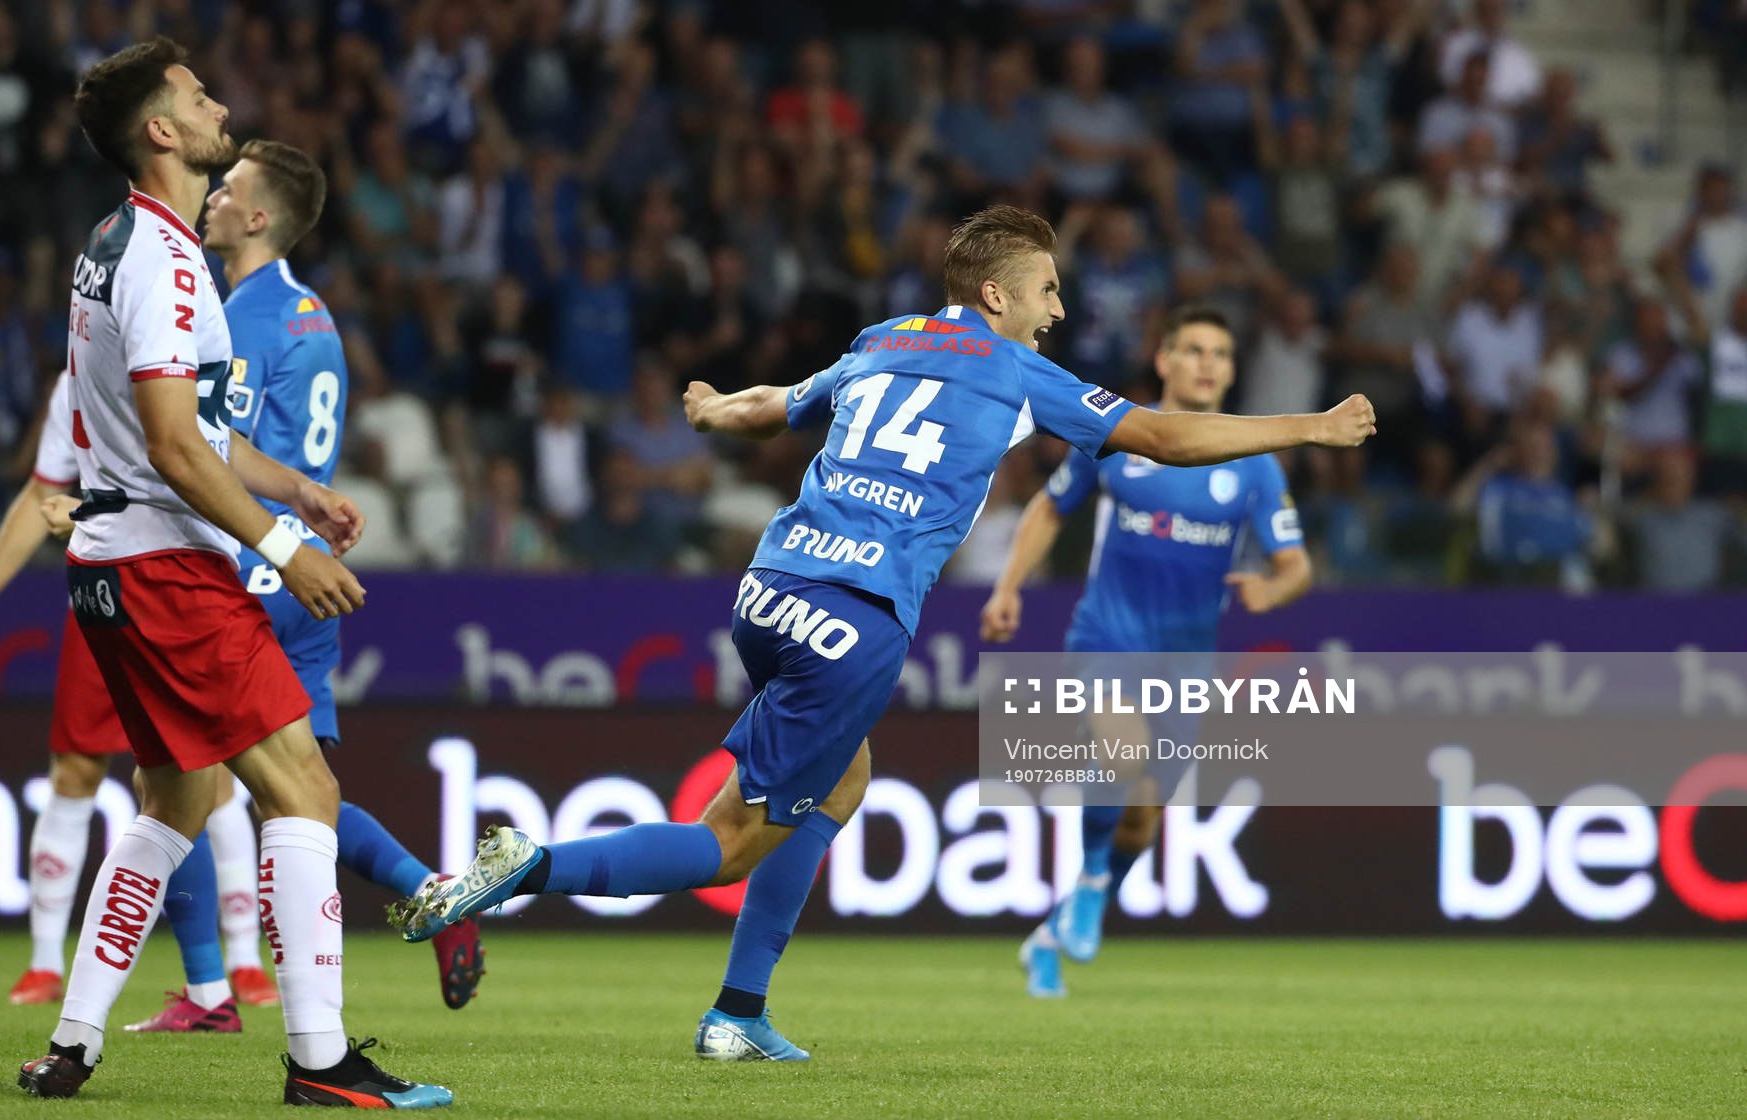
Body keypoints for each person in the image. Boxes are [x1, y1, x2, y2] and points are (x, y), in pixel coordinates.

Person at [390, 205, 1375, 1060]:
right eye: (1045, 290)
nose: (1058, 310)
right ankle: (532, 867)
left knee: (843, 778)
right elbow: (1164, 435)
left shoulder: (883, 337)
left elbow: (777, 406)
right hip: (853, 619)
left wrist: (712, 409)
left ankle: (739, 1010)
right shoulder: (1017, 369)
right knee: (730, 842)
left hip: (769, 588)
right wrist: (1312, 427)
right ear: (996, 294)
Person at [15, 38, 446, 1108]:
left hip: (108, 568)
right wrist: (284, 546)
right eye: (198, 97)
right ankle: (320, 1060)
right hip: (168, 564)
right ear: (161, 131)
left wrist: (296, 491)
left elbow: (198, 426)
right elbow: (173, 446)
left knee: (170, 801)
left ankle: (70, 1043)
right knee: (304, 786)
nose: (220, 109)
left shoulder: (120, 240)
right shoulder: (166, 265)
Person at [111, 138, 484, 1032]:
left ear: (261, 215)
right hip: (305, 575)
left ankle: (210, 995)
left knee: (168, 784)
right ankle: (433, 894)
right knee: (304, 787)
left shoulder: (239, 317)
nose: (213, 198)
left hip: (251, 571)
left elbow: (209, 450)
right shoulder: (316, 316)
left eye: (229, 189)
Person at [978, 305, 1315, 998]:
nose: (1205, 363)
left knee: (1142, 815)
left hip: (1188, 661)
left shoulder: (1251, 465)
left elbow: (1298, 567)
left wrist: (1271, 593)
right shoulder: (1118, 431)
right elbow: (1048, 508)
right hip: (1107, 638)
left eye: (1219, 353)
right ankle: (1096, 883)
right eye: (1192, 349)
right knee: (1122, 754)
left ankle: (1057, 923)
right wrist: (1009, 586)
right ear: (1164, 360)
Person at [0, 371, 135, 1009]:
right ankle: (46, 960)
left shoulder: (184, 354)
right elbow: (42, 490)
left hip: (187, 576)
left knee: (209, 776)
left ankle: (238, 966)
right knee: (76, 766)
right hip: (103, 589)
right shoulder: (76, 379)